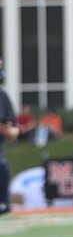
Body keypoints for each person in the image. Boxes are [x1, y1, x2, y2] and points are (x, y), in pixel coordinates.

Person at [0, 59, 19, 215]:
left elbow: (14, 131)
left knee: (3, 169)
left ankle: (3, 204)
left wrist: (6, 130)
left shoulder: (3, 97)